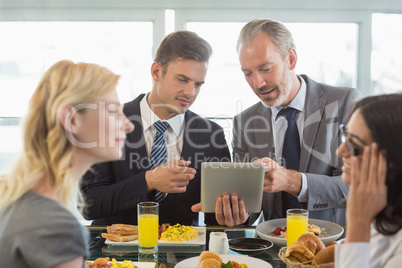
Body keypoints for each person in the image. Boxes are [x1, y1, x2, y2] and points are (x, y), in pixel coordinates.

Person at [81, 30, 246, 227]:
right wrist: (148, 181)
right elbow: (88, 205)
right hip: (117, 253)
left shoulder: (212, 135)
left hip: (183, 254)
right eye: (182, 80)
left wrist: (230, 218)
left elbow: (216, 222)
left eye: (198, 84)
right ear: (156, 72)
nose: (190, 92)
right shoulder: (108, 121)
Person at [0, 60, 134, 267]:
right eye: (114, 111)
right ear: (72, 120)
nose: (128, 125)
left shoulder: (14, 195)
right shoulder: (57, 227)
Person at [232, 19, 361, 225]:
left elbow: (357, 185)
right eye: (248, 73)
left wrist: (293, 181)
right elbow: (250, 206)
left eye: (265, 68)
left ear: (290, 59)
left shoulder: (344, 102)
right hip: (272, 247)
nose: (257, 83)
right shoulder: (244, 122)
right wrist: (238, 214)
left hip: (332, 248)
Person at [333, 94, 402, 267]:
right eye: (345, 136)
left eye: (354, 145)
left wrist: (358, 223)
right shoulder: (384, 213)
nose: (340, 152)